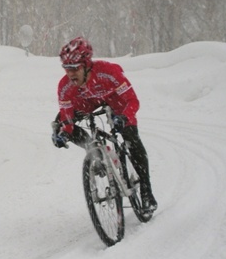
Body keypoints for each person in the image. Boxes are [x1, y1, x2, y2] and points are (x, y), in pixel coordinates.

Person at [51, 36, 158, 212]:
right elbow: (67, 117)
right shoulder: (65, 86)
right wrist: (63, 133)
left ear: (86, 65)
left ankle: (146, 191)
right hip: (86, 102)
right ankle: (94, 153)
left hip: (115, 100)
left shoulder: (107, 72)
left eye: (75, 69)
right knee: (61, 125)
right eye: (66, 69)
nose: (70, 74)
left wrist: (124, 118)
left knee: (130, 135)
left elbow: (132, 100)